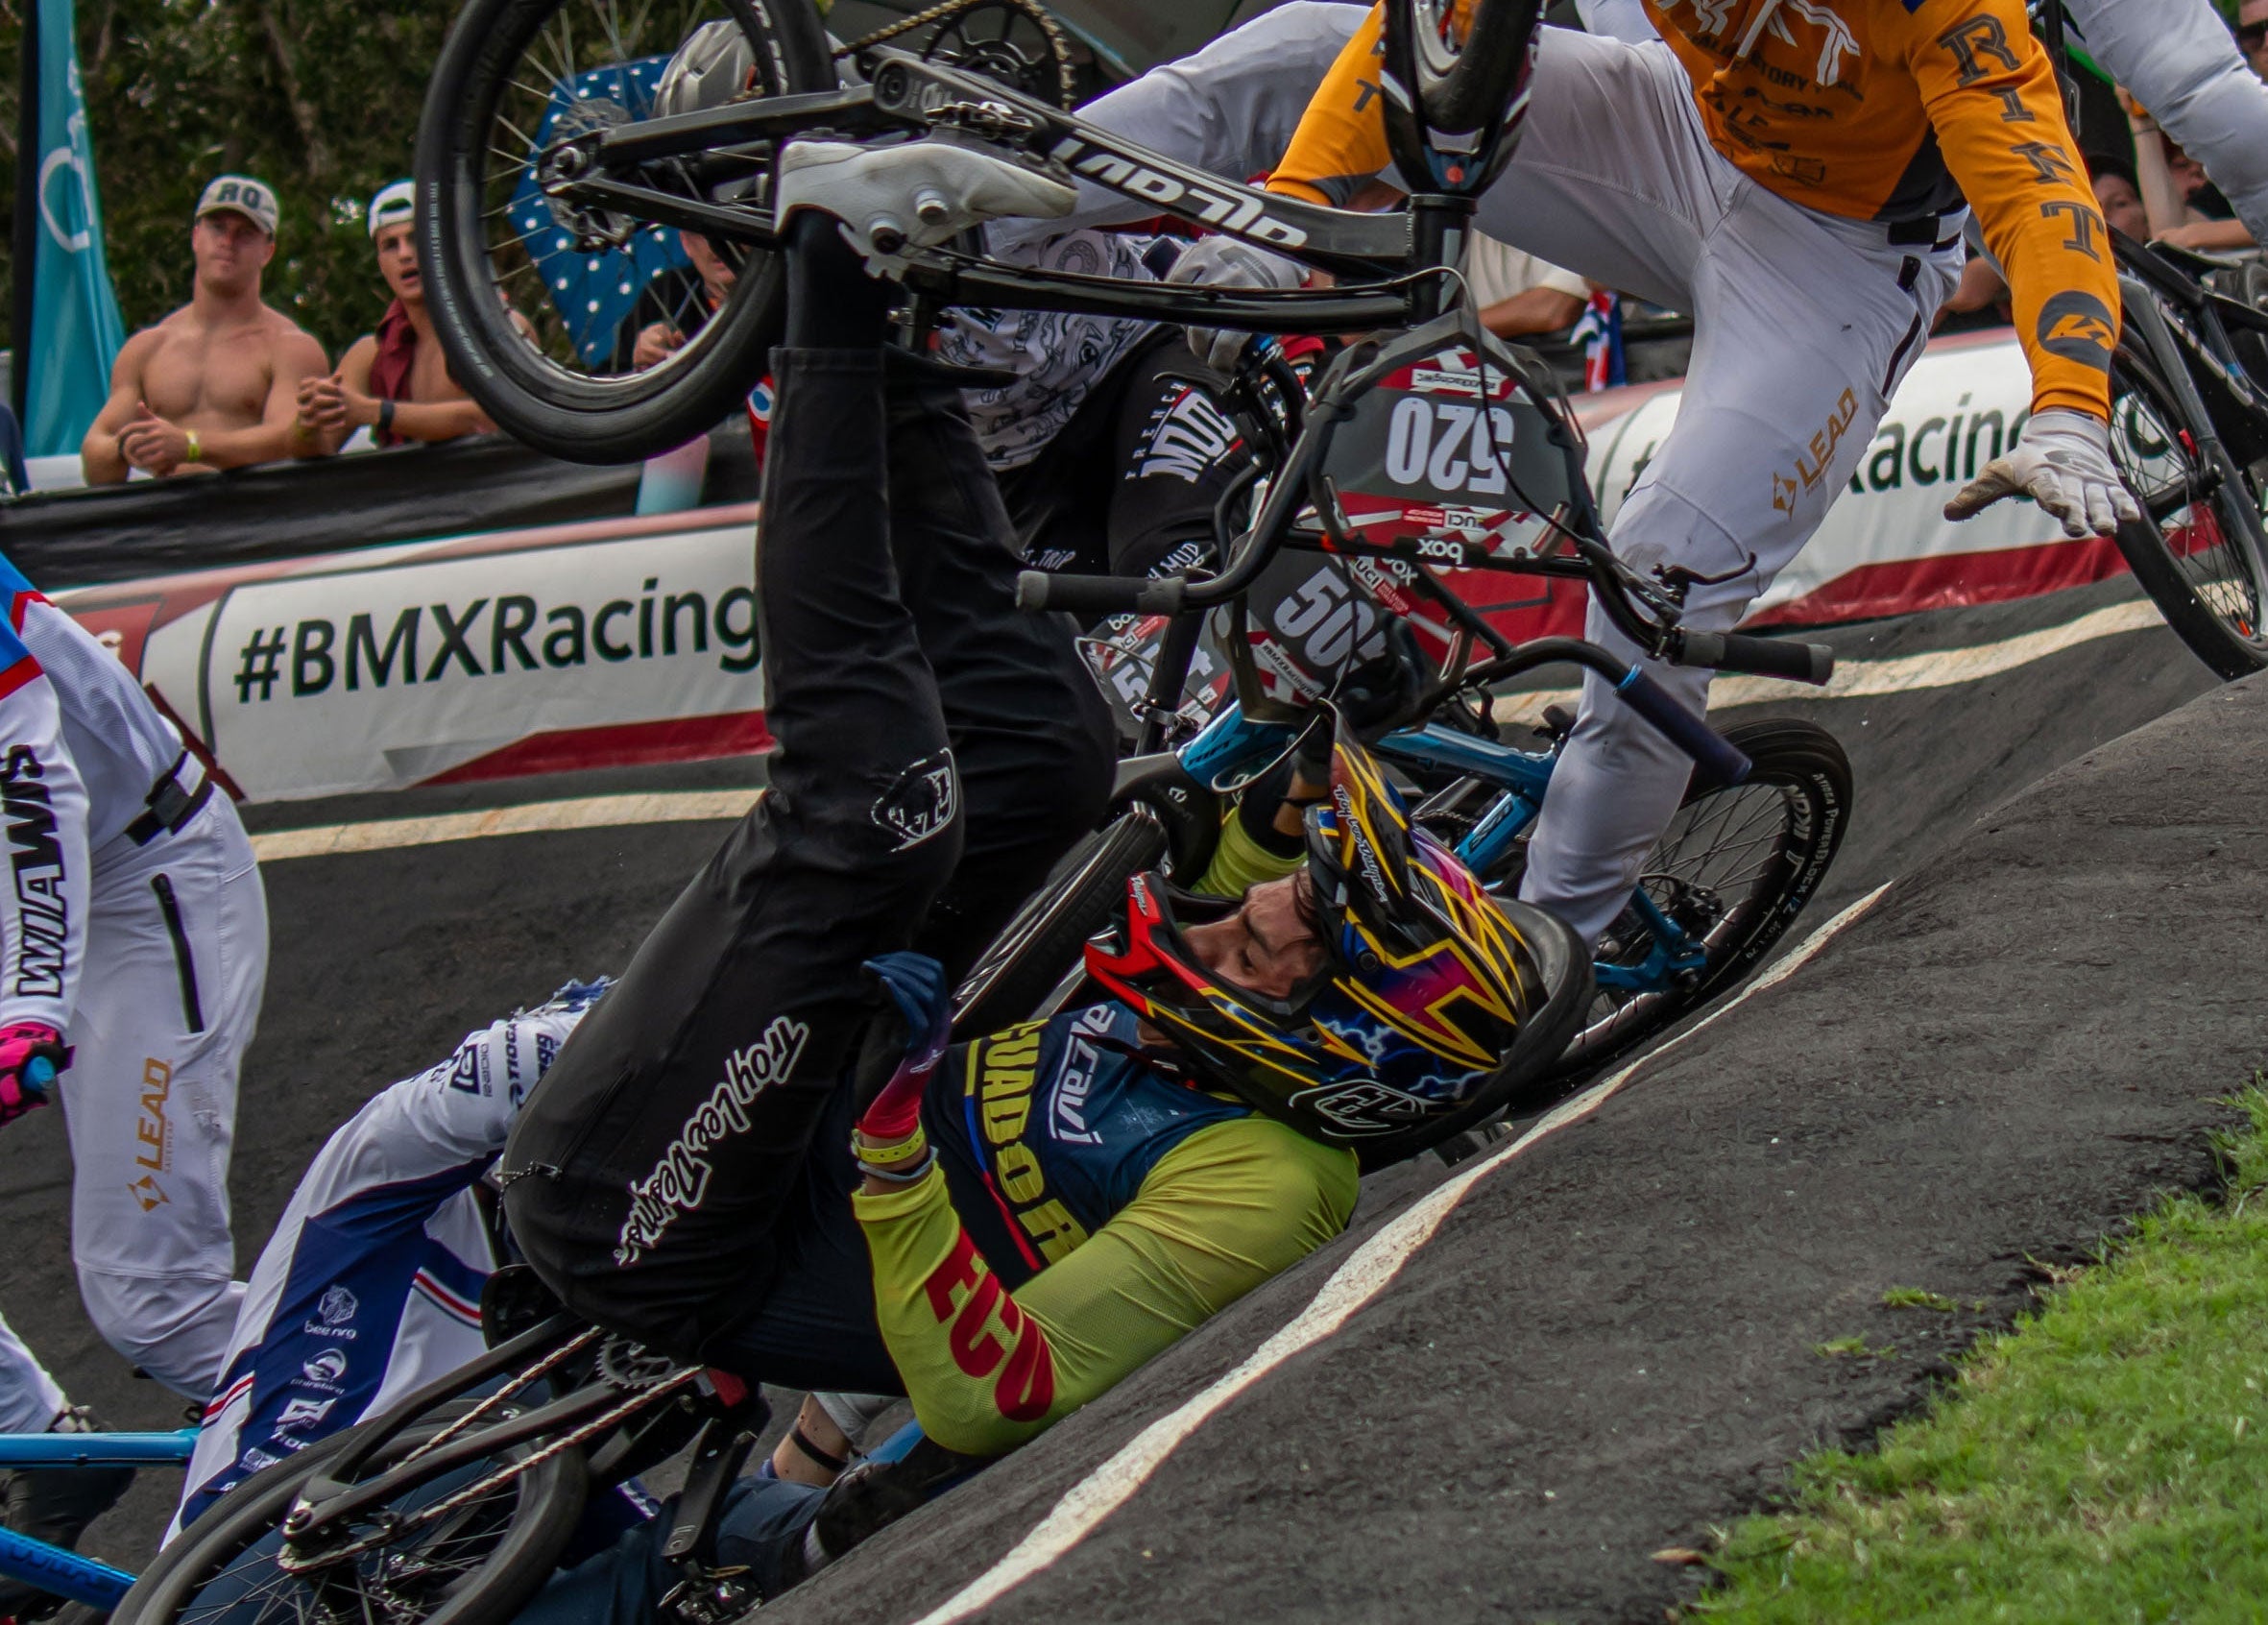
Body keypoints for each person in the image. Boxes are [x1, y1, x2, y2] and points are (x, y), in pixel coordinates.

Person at [489, 141, 1574, 1593]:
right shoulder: (1239, 1009)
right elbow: (1225, 870)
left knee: (877, 812)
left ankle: (820, 276)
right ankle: (894, 303)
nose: (1261, 900)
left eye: (1298, 917)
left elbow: (990, 1393)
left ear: (1320, 1021)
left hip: (667, 1225)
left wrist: (895, 1162)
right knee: (1052, 755)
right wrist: (1305, 772)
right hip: (812, 1103)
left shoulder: (1266, 1182)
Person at [1195, 0, 2135, 951]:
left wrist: (2068, 405)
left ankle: (1547, 947)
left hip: (1839, 259)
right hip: (1678, 128)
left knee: (1660, 586)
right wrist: (1286, 214)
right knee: (1355, 47)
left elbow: (2040, 200)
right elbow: (1442, 22)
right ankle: (1049, 226)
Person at [0, 549, 267, 1611]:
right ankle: (33, 1439)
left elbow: (28, 772)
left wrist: (28, 1004)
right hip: (31, 875)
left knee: (154, 1303)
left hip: (138, 884)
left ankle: (419, 1427)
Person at [168, 982, 608, 1539]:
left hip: (447, 1553)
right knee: (145, 1309)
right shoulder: (385, 1165)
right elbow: (516, 1059)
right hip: (258, 1547)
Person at [80, 178, 330, 484]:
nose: (228, 242)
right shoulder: (147, 348)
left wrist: (192, 447)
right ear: (196, 236)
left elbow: (293, 442)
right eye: (218, 228)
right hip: (167, 523)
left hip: (256, 521)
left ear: (268, 251)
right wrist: (126, 446)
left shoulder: (290, 347)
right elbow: (95, 455)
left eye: (245, 234)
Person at [298, 180, 498, 449]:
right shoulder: (370, 355)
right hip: (414, 491)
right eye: (391, 245)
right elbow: (316, 448)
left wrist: (377, 411)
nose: (405, 254)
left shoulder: (498, 330)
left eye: (416, 239)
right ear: (380, 263)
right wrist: (308, 420)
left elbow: (489, 420)